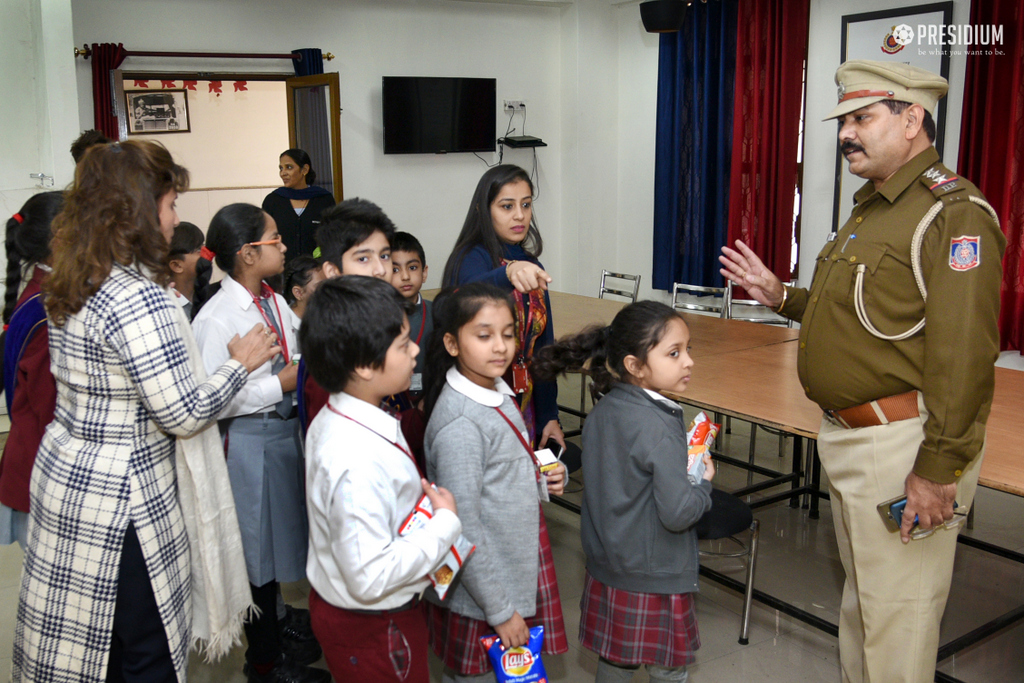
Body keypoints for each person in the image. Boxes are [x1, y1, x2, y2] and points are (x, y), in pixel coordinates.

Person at [718, 60, 1004, 683]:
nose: (846, 133)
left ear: (911, 119)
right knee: (865, 609)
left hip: (902, 446)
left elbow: (964, 357)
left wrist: (937, 471)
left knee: (897, 621)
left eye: (861, 118)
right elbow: (866, 313)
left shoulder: (952, 214)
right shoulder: (874, 207)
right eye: (843, 120)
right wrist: (781, 296)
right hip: (853, 440)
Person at [12, 140, 280, 683]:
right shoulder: (140, 295)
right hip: (124, 496)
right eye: (171, 205)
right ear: (138, 210)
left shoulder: (73, 274)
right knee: (148, 646)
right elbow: (181, 414)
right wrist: (239, 364)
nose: (176, 217)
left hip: (69, 477)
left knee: (91, 641)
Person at [533, 301, 714, 683]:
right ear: (634, 365)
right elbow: (679, 512)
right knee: (669, 671)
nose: (689, 362)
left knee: (616, 662)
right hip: (654, 574)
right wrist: (703, 484)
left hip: (609, 566)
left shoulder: (604, 409)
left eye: (688, 349)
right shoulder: (659, 426)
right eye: (674, 353)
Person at [299, 275, 462, 683]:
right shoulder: (354, 459)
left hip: (364, 614)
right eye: (403, 345)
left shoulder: (345, 411)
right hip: (373, 626)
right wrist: (443, 525)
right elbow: (370, 576)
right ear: (362, 365)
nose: (415, 352)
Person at [193, 203, 328, 683]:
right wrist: (283, 384)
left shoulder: (269, 298)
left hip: (282, 435)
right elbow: (212, 399)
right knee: (256, 557)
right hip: (249, 443)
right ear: (249, 253)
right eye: (276, 239)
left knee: (275, 550)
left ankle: (278, 634)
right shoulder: (218, 317)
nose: (285, 245)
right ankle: (264, 663)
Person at [422, 283, 568, 683]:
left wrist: (541, 479)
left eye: (507, 334)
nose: (500, 346)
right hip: (485, 593)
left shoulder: (497, 389)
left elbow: (501, 470)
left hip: (509, 565)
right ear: (452, 343)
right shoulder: (461, 426)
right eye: (483, 336)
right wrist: (500, 611)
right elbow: (462, 528)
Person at [441, 165, 564, 451]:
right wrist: (506, 274)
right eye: (506, 206)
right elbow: (467, 294)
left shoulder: (533, 265)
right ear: (484, 210)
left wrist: (549, 414)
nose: (519, 215)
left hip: (525, 396)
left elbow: (544, 346)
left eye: (526, 204)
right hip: (481, 397)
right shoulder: (471, 257)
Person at [0, 192, 63, 548]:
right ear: (61, 239)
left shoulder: (41, 295)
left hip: (33, 457)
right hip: (42, 471)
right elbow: (49, 410)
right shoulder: (47, 309)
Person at [299, 198, 397, 428]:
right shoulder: (332, 346)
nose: (381, 270)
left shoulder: (377, 322)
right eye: (363, 259)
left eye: (384, 255)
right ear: (332, 271)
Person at [262, 148, 335, 261]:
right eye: (281, 168)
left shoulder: (324, 199)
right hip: (281, 271)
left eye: (289, 167)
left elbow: (333, 237)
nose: (283, 173)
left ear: (304, 169)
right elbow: (265, 239)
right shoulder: (273, 201)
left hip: (316, 271)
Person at [390, 231, 433, 399]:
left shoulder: (437, 313)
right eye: (395, 269)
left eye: (413, 268)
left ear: (424, 273)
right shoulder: (375, 319)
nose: (405, 276)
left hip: (430, 402)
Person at [168, 221, 211, 320]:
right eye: (198, 250)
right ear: (176, 266)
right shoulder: (170, 310)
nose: (207, 253)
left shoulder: (208, 297)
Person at [283, 254, 324, 320]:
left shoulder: (325, 318)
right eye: (319, 286)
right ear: (298, 293)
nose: (327, 290)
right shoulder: (283, 325)